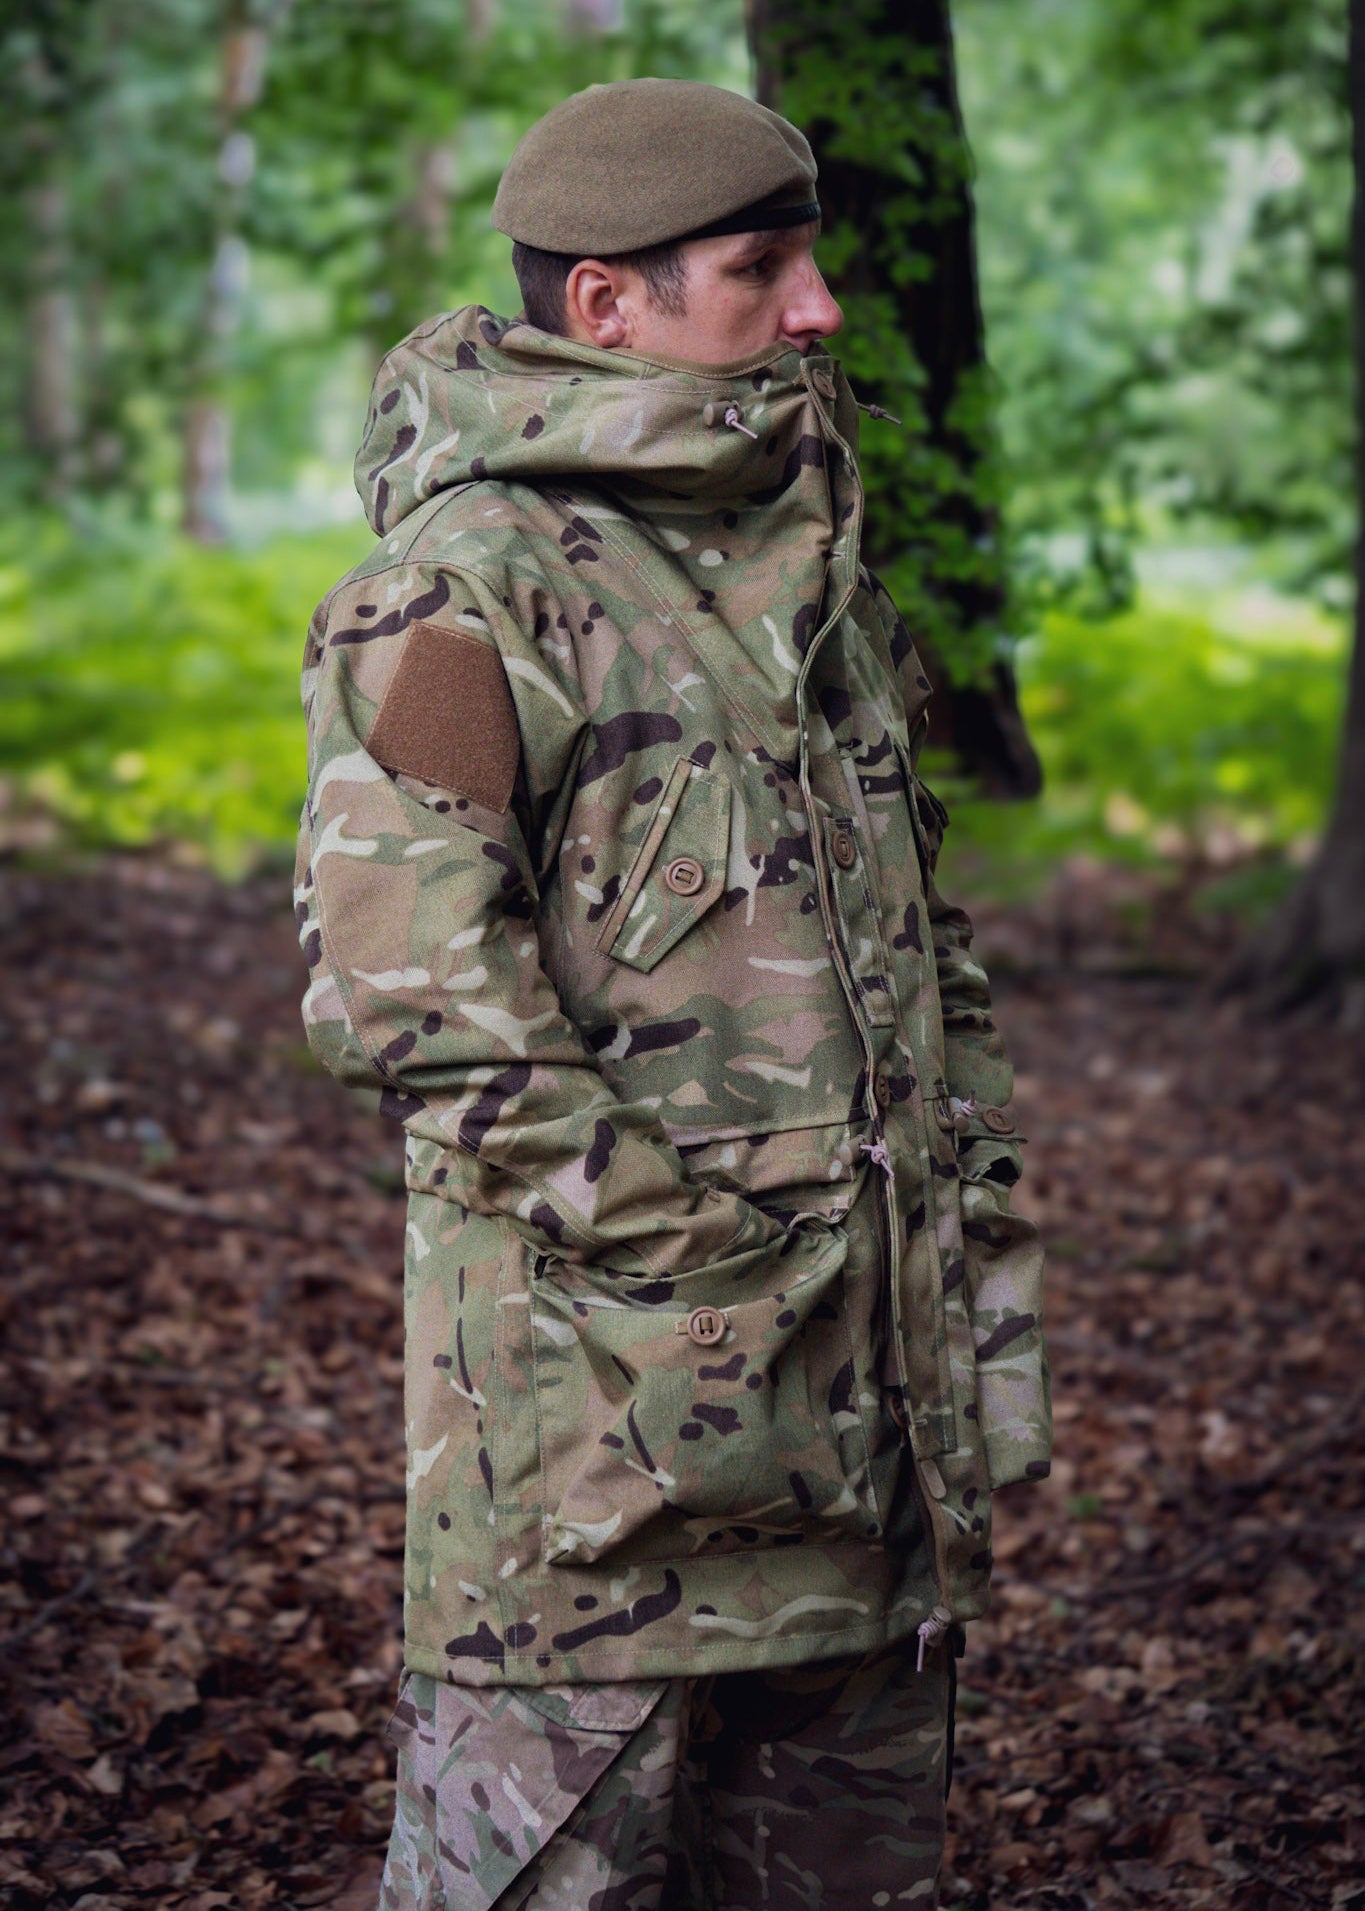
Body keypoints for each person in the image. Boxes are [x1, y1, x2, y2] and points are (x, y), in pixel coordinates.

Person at [295, 76, 1050, 1911]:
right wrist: (687, 1267)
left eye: (807, 262)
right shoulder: (464, 589)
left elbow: (909, 938)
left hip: (863, 1426)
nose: (818, 311)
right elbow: (408, 999)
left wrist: (959, 1224)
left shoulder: (814, 574)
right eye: (758, 267)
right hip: (598, 1467)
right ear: (604, 305)